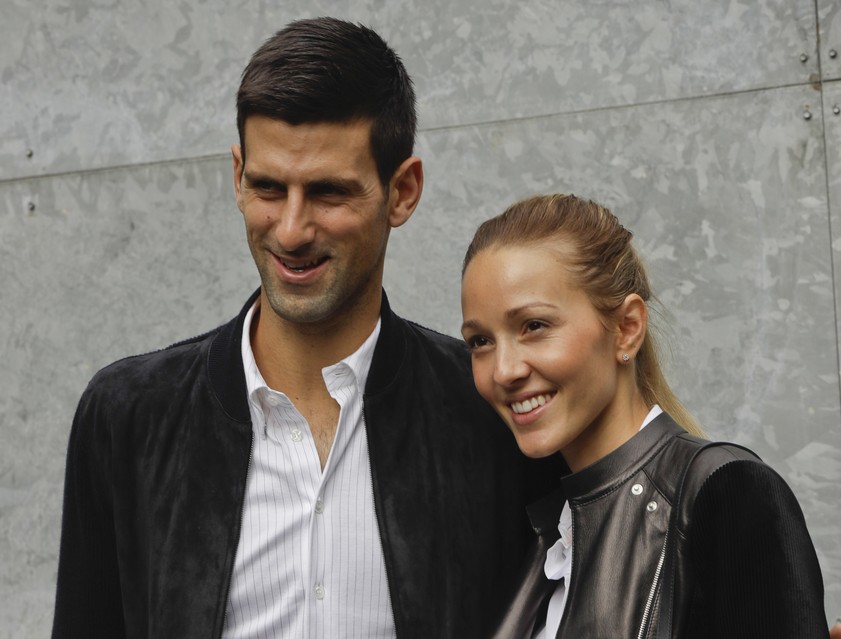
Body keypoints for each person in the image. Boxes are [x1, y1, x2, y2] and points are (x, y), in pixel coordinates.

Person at [50, 17, 553, 639]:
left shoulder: (490, 412)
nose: (290, 230)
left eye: (327, 193)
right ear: (237, 176)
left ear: (403, 191)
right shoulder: (127, 417)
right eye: (267, 186)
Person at [459, 193, 828, 638]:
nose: (504, 370)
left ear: (627, 328)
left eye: (534, 326)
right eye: (480, 341)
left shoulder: (728, 494)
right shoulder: (543, 530)